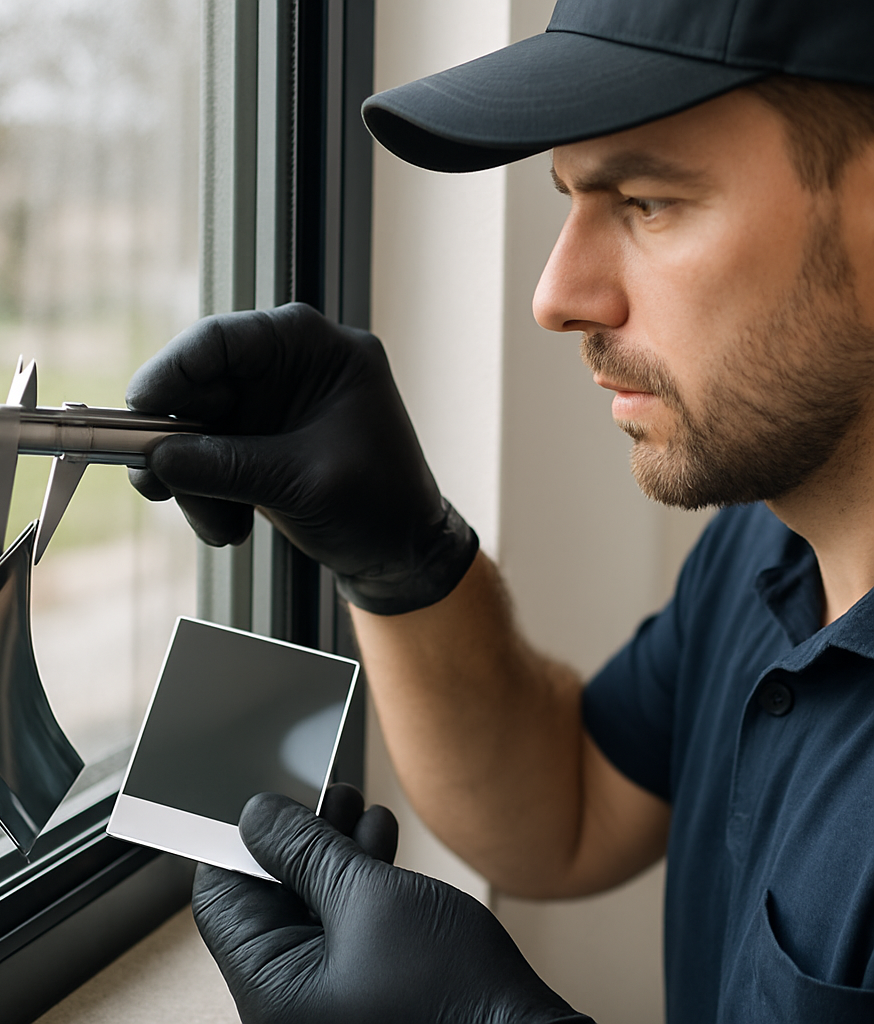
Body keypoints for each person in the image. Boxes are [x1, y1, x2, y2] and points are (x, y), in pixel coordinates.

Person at [125, 0, 874, 1021]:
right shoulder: (764, 541)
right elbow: (565, 808)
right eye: (570, 197)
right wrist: (404, 556)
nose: (556, 293)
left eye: (647, 201)